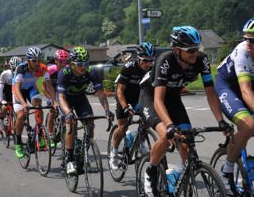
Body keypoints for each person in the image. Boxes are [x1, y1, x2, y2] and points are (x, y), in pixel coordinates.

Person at [139, 26, 227, 196]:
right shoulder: (165, 60)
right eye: (191, 50)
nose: (196, 53)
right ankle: (150, 172)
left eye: (197, 48)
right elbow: (158, 100)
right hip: (151, 98)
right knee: (166, 135)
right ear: (176, 50)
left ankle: (183, 181)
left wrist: (220, 121)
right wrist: (170, 125)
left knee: (186, 141)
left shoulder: (201, 60)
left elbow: (210, 92)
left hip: (173, 99)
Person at [57, 46, 114, 174]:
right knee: (71, 123)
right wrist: (68, 112)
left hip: (80, 99)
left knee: (90, 124)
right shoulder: (64, 73)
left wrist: (106, 111)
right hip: (65, 99)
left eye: (86, 63)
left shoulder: (91, 72)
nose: (84, 67)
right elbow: (60, 96)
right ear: (72, 64)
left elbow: (100, 94)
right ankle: (69, 160)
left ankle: (83, 155)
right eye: (80, 64)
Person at [214, 18, 254, 194]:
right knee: (248, 125)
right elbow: (245, 91)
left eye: (253, 40)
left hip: (248, 85)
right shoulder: (243, 52)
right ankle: (227, 168)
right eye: (247, 39)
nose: (249, 44)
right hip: (228, 87)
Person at [109, 42, 156, 170]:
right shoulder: (129, 66)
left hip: (139, 96)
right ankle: (114, 152)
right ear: (138, 58)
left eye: (151, 60)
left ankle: (140, 140)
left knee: (147, 118)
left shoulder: (153, 68)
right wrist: (125, 107)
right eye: (145, 61)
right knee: (123, 126)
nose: (148, 64)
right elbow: (120, 90)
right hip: (124, 95)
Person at [12, 47, 57, 159]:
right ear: (28, 61)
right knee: (21, 115)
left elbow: (49, 85)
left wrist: (54, 101)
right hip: (19, 91)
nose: (37, 63)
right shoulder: (21, 68)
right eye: (34, 60)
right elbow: (17, 89)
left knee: (38, 106)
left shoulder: (43, 68)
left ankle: (40, 134)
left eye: (39, 60)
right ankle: (18, 143)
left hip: (31, 89)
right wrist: (23, 103)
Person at [46, 49, 70, 147]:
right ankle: (50, 134)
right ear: (56, 61)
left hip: (62, 93)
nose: (64, 64)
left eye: (66, 61)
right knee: (53, 111)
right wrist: (52, 100)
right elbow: (44, 87)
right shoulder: (50, 70)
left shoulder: (68, 69)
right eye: (61, 61)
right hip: (52, 93)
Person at [0, 56, 22, 134]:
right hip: (6, 93)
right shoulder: (5, 74)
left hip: (15, 93)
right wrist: (0, 101)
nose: (15, 71)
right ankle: (1, 125)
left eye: (17, 68)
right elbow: (0, 88)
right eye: (14, 69)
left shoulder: (22, 74)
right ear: (10, 67)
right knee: (4, 108)